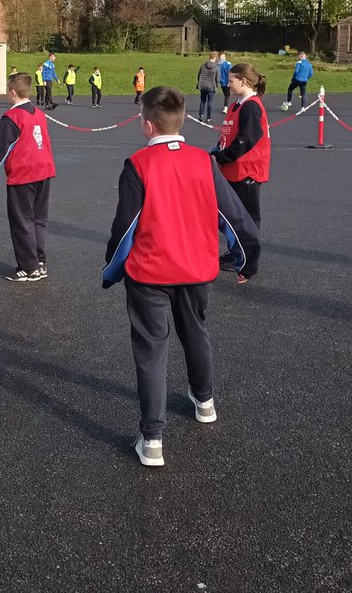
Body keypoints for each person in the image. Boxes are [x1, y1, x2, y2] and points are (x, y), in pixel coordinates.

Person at [103, 86, 261, 468]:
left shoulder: (138, 165)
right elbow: (235, 217)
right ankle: (204, 401)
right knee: (196, 333)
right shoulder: (203, 162)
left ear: (146, 125)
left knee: (151, 349)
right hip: (195, 269)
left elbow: (125, 228)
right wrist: (246, 261)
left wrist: (111, 269)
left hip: (150, 273)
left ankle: (152, 437)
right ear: (183, 119)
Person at [0, 72, 56, 282]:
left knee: (22, 221)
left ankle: (28, 267)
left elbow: (0, 150)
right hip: (44, 172)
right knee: (38, 219)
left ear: (12, 93)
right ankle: (39, 262)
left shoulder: (12, 117)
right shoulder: (39, 113)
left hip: (24, 175)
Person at [212, 63, 270, 231]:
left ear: (243, 81)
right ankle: (237, 253)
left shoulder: (251, 106)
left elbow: (246, 139)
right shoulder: (236, 105)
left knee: (247, 218)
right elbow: (228, 135)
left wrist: (222, 157)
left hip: (246, 171)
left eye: (231, 81)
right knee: (233, 216)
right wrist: (216, 151)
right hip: (234, 169)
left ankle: (249, 256)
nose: (227, 84)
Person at [196, 52, 219, 123]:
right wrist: (216, 85)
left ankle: (201, 115)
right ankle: (209, 117)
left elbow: (199, 76)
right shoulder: (216, 67)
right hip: (211, 86)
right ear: (215, 58)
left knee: (202, 101)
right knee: (210, 101)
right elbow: (217, 79)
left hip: (203, 86)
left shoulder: (203, 66)